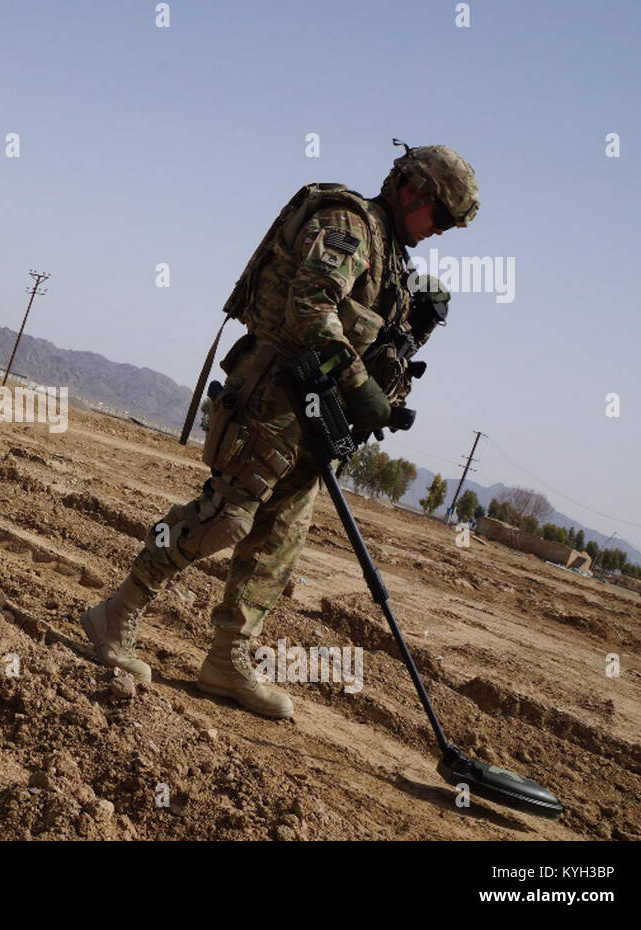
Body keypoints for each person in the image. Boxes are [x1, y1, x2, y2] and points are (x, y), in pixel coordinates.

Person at [81, 142, 479, 719]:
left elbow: (369, 337)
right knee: (222, 517)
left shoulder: (393, 258)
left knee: (276, 544)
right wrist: (359, 381)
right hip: (275, 394)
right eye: (439, 215)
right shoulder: (347, 224)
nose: (439, 230)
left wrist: (396, 362)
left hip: (315, 417)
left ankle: (226, 661)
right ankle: (116, 613)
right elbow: (310, 307)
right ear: (413, 189)